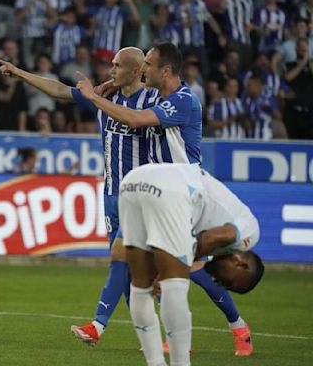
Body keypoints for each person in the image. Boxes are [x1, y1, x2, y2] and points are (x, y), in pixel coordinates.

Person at [76, 42, 254, 356]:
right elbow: (124, 99)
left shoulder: (183, 101)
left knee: (191, 269)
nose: (143, 67)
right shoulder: (159, 96)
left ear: (165, 70)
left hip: (186, 194)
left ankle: (237, 326)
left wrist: (92, 96)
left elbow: (134, 120)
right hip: (160, 193)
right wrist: (108, 85)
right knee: (130, 257)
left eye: (148, 62)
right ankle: (112, 327)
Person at [0, 46, 159, 347]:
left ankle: (98, 324)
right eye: (111, 64)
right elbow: (59, 90)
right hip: (112, 195)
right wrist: (19, 73)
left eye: (118, 65)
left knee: (120, 260)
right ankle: (158, 337)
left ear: (137, 70)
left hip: (141, 195)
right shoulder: (106, 96)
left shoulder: (153, 99)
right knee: (127, 273)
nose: (111, 70)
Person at [118, 162, 264, 366]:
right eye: (229, 282)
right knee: (174, 285)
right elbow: (208, 240)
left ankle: (155, 363)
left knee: (141, 284)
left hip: (131, 183)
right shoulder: (251, 233)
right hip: (172, 189)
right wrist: (169, 269)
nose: (220, 283)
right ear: (240, 264)